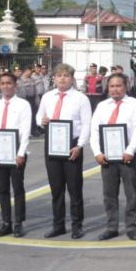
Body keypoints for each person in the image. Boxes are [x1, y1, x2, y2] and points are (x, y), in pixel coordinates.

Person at [36, 63, 92, 239]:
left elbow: (86, 124)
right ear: (54, 78)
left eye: (66, 76)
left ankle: (77, 225)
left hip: (72, 145)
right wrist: (41, 121)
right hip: (52, 144)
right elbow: (39, 115)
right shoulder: (47, 97)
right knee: (56, 188)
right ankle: (58, 225)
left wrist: (80, 145)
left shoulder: (81, 98)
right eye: (59, 75)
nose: (62, 79)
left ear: (72, 79)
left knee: (74, 188)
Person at [90, 74, 136, 240]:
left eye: (118, 86)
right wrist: (97, 152)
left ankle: (131, 227)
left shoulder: (134, 104)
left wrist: (130, 150)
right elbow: (94, 131)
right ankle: (111, 227)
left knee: (131, 193)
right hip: (107, 156)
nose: (115, 89)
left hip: (128, 156)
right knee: (109, 194)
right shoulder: (102, 106)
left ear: (126, 86)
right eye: (112, 86)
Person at [0, 71, 32, 237]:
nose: (5, 86)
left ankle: (18, 223)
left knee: (18, 189)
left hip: (16, 152)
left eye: (9, 83)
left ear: (15, 85)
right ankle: (6, 222)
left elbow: (25, 131)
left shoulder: (23, 105)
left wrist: (21, 153)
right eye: (2, 83)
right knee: (2, 189)